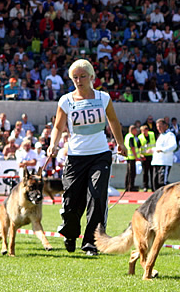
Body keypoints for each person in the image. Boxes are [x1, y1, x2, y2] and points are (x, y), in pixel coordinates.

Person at [47, 59, 126, 256]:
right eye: (75, 77)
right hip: (75, 156)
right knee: (72, 199)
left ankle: (92, 243)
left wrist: (120, 143)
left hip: (100, 154)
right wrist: (52, 145)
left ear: (92, 77)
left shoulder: (103, 98)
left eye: (83, 76)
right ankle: (70, 233)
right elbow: (58, 126)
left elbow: (113, 121)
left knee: (97, 197)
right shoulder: (66, 100)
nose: (79, 80)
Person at [151, 118, 177, 191]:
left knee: (162, 182)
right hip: (156, 162)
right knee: (155, 182)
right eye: (157, 127)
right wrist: (152, 150)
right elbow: (158, 148)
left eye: (160, 126)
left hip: (164, 162)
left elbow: (173, 146)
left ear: (165, 126)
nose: (158, 128)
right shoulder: (161, 136)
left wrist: (162, 150)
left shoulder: (170, 135)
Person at [138, 124, 155, 192]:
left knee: (152, 172)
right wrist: (140, 155)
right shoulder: (140, 137)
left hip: (151, 156)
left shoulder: (152, 134)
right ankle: (145, 187)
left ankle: (153, 187)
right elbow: (138, 148)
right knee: (145, 173)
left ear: (147, 130)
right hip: (144, 157)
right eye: (142, 131)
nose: (143, 132)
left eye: (144, 131)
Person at [123, 124, 141, 192]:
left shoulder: (127, 136)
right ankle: (131, 187)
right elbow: (132, 147)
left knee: (128, 173)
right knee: (132, 173)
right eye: (136, 130)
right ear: (133, 130)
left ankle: (127, 186)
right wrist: (136, 157)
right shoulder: (131, 137)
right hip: (131, 157)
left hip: (128, 157)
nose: (136, 132)